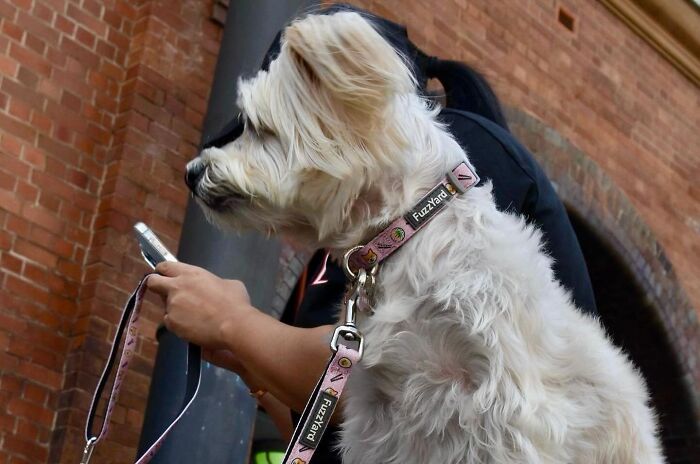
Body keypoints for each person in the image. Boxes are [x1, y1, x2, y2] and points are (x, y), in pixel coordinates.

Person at [148, 5, 597, 463]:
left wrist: (235, 324)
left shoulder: (453, 169)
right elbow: (332, 432)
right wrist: (248, 360)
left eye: (266, 133)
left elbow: (389, 381)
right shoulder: (348, 236)